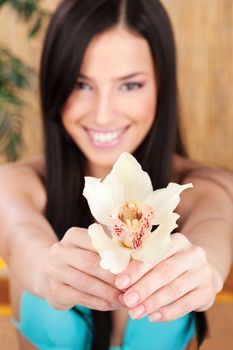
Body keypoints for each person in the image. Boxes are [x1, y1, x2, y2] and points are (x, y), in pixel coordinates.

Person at [0, 0, 232, 349]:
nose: (104, 115)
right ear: (55, 84)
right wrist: (48, 272)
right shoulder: (15, 185)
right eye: (81, 84)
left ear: (161, 86)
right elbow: (22, 239)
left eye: (129, 85)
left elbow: (215, 231)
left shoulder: (205, 189)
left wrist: (207, 272)